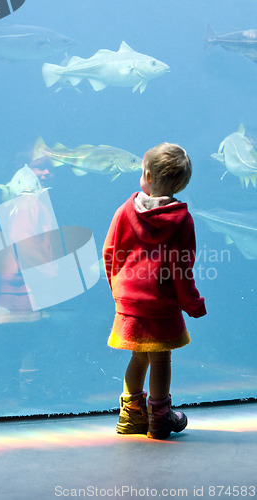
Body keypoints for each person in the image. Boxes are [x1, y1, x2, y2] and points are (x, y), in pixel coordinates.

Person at [103, 143, 207, 439]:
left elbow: (110, 252)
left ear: (145, 175)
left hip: (130, 301)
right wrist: (193, 304)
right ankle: (159, 418)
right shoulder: (182, 220)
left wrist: (119, 289)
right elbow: (182, 269)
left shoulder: (125, 210)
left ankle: (130, 416)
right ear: (183, 184)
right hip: (161, 304)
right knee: (161, 357)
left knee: (138, 356)